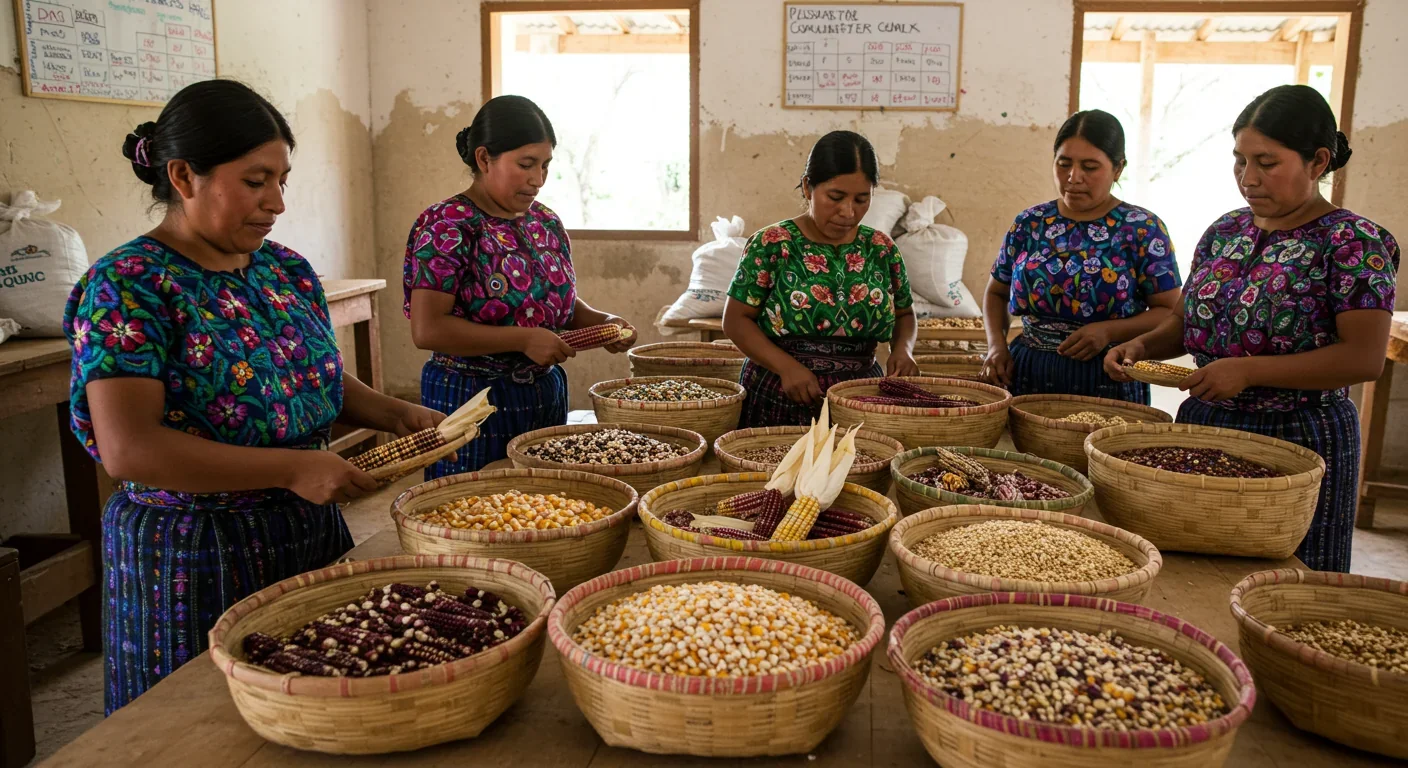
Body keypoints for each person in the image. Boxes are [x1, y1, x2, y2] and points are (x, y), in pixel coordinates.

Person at [64, 80, 443, 714]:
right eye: (255, 181)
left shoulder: (282, 270)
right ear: (184, 176)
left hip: (304, 531)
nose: (277, 203)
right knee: (197, 725)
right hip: (190, 552)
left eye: (282, 181)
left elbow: (305, 378)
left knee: (313, 710)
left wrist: (394, 412)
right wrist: (294, 467)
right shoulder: (130, 286)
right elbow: (130, 448)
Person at [1106, 85, 1399, 573]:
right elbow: (1185, 321)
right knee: (1195, 566)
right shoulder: (1226, 232)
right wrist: (1139, 344)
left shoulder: (1353, 243)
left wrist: (1248, 371)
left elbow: (1363, 357)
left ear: (1318, 161)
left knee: (1290, 579)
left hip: (1300, 437)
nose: (1248, 177)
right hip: (1209, 424)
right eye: (1240, 160)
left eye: (1267, 162)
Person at [404, 95, 635, 477]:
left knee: (540, 511)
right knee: (474, 515)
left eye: (545, 166)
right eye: (525, 165)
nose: (538, 180)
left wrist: (599, 320)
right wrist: (523, 340)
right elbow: (428, 329)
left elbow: (551, 298)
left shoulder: (543, 222)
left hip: (542, 394)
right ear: (484, 159)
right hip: (470, 399)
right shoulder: (447, 225)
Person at [982, 110, 1181, 404]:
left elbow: (1169, 312)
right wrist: (996, 346)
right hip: (1028, 371)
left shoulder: (1141, 228)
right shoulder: (1030, 223)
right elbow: (996, 293)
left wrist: (1109, 331)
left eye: (1090, 166)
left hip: (1108, 374)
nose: (1073, 178)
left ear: (1118, 168)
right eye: (1064, 164)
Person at [724, 130, 919, 428]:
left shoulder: (881, 248)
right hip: (781, 392)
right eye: (835, 197)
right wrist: (786, 367)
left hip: (859, 397)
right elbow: (735, 320)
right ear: (807, 187)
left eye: (862, 199)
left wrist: (902, 350)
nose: (848, 212)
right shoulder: (774, 243)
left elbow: (905, 314)